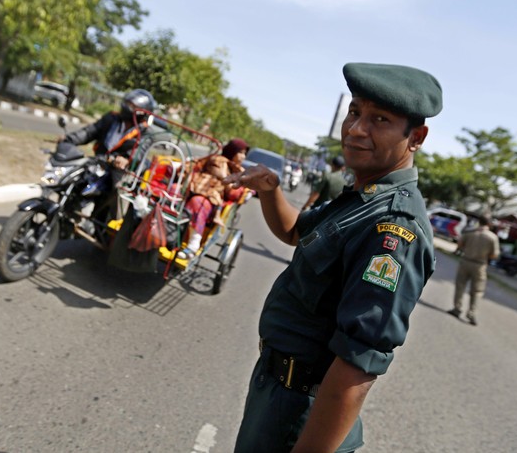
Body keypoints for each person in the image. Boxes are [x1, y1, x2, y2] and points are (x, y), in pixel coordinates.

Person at [226, 62, 442, 452]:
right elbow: (295, 231)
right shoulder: (362, 197)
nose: (357, 129)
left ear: (416, 137)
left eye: (379, 119)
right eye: (355, 111)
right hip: (277, 392)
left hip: (303, 415)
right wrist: (270, 190)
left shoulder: (394, 227)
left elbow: (356, 368)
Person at [61, 89, 157, 219]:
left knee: (120, 190)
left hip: (122, 170)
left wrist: (126, 159)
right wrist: (69, 139)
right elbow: (89, 131)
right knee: (72, 175)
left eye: (131, 105)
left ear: (141, 111)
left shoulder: (146, 133)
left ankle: (115, 225)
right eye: (126, 103)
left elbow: (139, 152)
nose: (125, 107)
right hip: (99, 161)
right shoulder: (111, 119)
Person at [177, 138, 249, 259]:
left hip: (209, 199)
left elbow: (232, 194)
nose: (243, 157)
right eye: (240, 152)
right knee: (174, 191)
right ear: (232, 152)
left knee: (198, 202)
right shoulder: (217, 160)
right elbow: (196, 165)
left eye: (244, 154)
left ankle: (193, 245)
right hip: (194, 188)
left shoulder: (237, 171)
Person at [447, 215, 500, 326]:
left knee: (460, 286)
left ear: (479, 222)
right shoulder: (492, 237)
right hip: (480, 265)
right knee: (477, 291)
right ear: (489, 224)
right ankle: (471, 313)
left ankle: (457, 308)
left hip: (465, 262)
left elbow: (460, 245)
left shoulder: (469, 233)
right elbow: (494, 255)